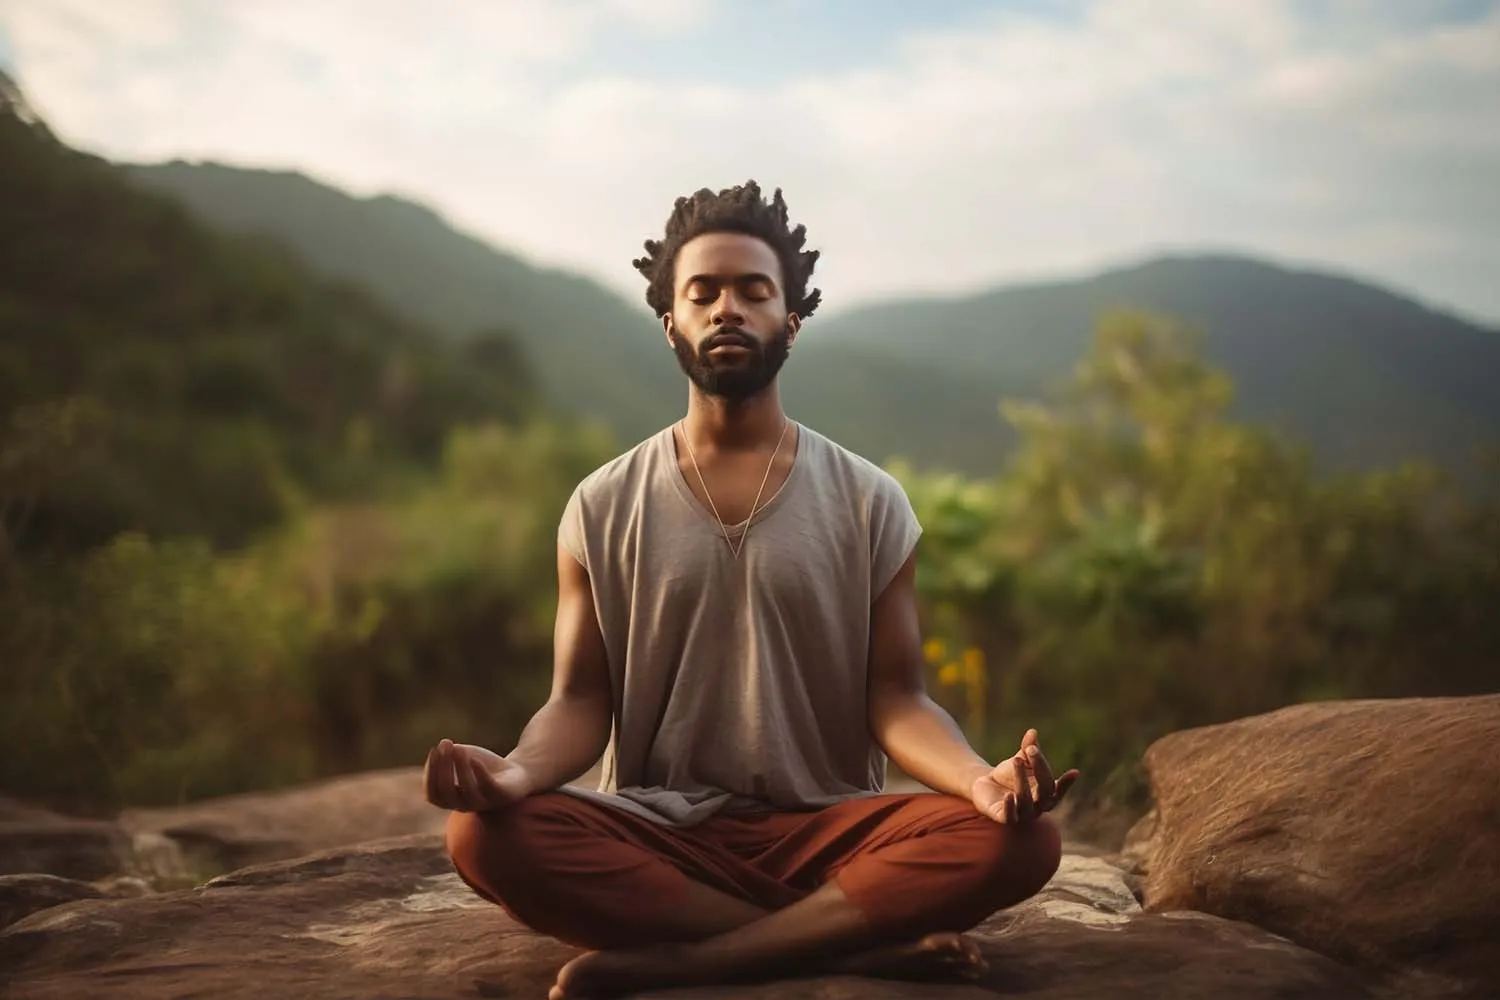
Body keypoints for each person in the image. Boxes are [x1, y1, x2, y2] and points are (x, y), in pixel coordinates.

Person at [424, 181, 1078, 1000]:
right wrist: (515, 775)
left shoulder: (870, 501)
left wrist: (981, 780)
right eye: (703, 292)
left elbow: (898, 699)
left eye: (753, 290)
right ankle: (839, 943)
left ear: (791, 320)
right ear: (671, 323)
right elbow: (579, 703)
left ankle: (695, 961)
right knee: (486, 839)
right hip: (659, 830)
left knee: (1022, 844)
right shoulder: (600, 504)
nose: (727, 308)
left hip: (828, 829)